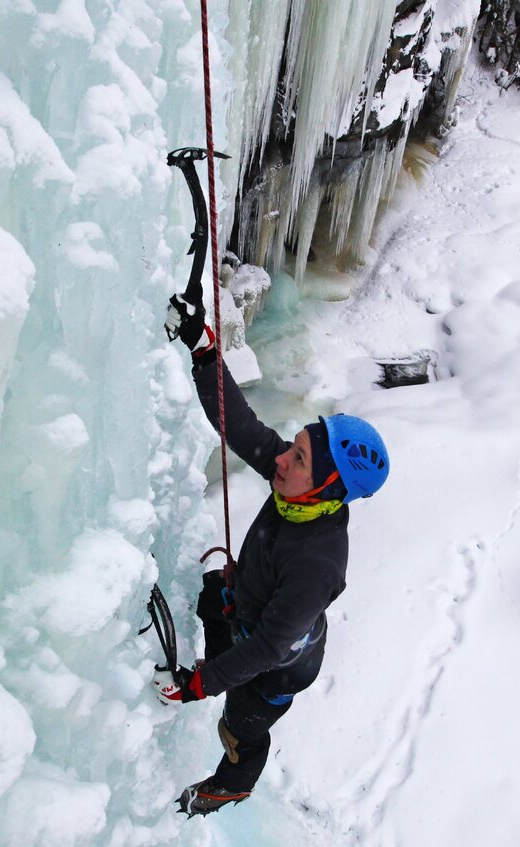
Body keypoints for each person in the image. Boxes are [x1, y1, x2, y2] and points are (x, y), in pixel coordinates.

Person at [157, 293, 390, 817]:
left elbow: (265, 649)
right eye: (295, 445)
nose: (281, 457)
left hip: (280, 666)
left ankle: (234, 782)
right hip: (257, 617)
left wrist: (198, 686)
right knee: (215, 596)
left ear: (329, 485)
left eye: (299, 456)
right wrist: (204, 353)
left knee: (238, 722)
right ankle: (219, 661)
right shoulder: (297, 486)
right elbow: (240, 427)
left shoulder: (317, 563)